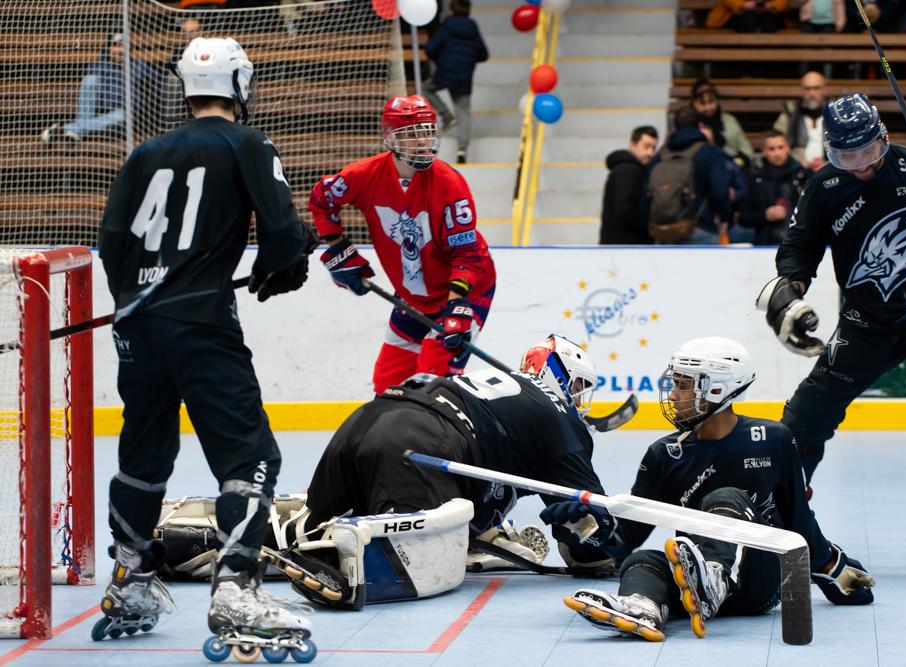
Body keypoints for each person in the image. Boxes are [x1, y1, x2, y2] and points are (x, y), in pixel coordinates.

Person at [95, 37, 315, 650]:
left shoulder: (145, 152)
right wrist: (283, 267)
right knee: (252, 458)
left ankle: (131, 579)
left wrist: (138, 308)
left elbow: (113, 243)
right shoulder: (248, 143)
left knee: (143, 454)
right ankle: (238, 586)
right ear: (239, 85)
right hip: (203, 327)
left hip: (138, 328)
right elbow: (280, 230)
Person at [756, 93, 906, 545]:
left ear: (883, 138)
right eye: (846, 155)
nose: (860, 164)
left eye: (867, 152)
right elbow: (798, 247)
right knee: (806, 415)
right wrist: (789, 292)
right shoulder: (824, 186)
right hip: (866, 321)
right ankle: (783, 508)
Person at [265, 335, 625, 607]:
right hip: (420, 444)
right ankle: (340, 559)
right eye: (579, 387)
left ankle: (252, 532)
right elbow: (590, 545)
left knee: (314, 519)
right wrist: (604, 545)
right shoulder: (561, 419)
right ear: (562, 377)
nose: (578, 399)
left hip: (367, 420)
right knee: (411, 565)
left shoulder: (504, 394)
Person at [564, 337, 875, 641]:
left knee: (726, 498)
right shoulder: (664, 454)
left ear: (717, 389)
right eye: (674, 384)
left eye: (682, 386)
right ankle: (644, 609)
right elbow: (627, 537)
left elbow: (798, 518)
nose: (672, 396)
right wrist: (589, 531)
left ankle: (715, 575)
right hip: (692, 580)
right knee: (643, 561)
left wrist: (831, 566)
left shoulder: (773, 439)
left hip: (760, 581)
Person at [309, 94, 496, 395]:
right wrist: (337, 248)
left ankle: (436, 442)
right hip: (413, 296)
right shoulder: (364, 175)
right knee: (387, 387)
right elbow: (322, 198)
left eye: (426, 132)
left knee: (432, 386)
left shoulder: (450, 184)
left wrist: (458, 304)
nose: (422, 142)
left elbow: (467, 252)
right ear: (390, 138)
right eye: (410, 135)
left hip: (464, 291)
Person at [642, 106, 735, 245]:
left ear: (675, 126)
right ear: (699, 125)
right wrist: (725, 218)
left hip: (663, 233)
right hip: (701, 229)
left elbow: (645, 196)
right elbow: (720, 192)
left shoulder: (659, 157)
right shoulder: (711, 153)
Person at [42, 32, 155, 143]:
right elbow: (89, 92)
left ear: (129, 50)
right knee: (90, 79)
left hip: (123, 117)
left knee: (120, 115)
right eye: (115, 46)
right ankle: (75, 132)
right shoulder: (99, 66)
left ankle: (65, 129)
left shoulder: (138, 65)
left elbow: (157, 78)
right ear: (108, 48)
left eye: (122, 46)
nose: (119, 50)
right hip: (100, 114)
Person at [423, 0, 489, 164]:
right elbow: (484, 54)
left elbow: (430, 48)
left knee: (426, 89)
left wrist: (441, 60)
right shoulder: (473, 29)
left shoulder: (446, 26)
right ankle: (462, 149)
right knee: (464, 111)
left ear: (451, 10)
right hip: (464, 76)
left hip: (445, 73)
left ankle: (445, 115)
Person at [740, 130, 810, 245]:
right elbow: (743, 218)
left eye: (780, 147)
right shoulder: (755, 178)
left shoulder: (804, 175)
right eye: (771, 149)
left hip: (800, 244)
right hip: (765, 246)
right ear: (763, 151)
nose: (777, 153)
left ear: (788, 148)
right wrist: (765, 215)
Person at [599, 125, 658, 245]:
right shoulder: (628, 170)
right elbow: (625, 211)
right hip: (626, 246)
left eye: (653, 148)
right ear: (633, 144)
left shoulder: (627, 169)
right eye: (646, 146)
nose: (650, 153)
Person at [689, 81, 754, 166]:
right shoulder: (688, 124)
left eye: (711, 101)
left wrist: (737, 163)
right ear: (694, 103)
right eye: (703, 103)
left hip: (732, 166)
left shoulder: (729, 120)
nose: (708, 107)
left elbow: (747, 151)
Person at [773, 71, 827, 171]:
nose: (812, 93)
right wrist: (795, 163)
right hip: (796, 169)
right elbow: (776, 141)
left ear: (824, 89)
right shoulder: (790, 112)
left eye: (816, 88)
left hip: (830, 167)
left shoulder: (833, 113)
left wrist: (829, 163)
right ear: (802, 90)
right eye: (807, 89)